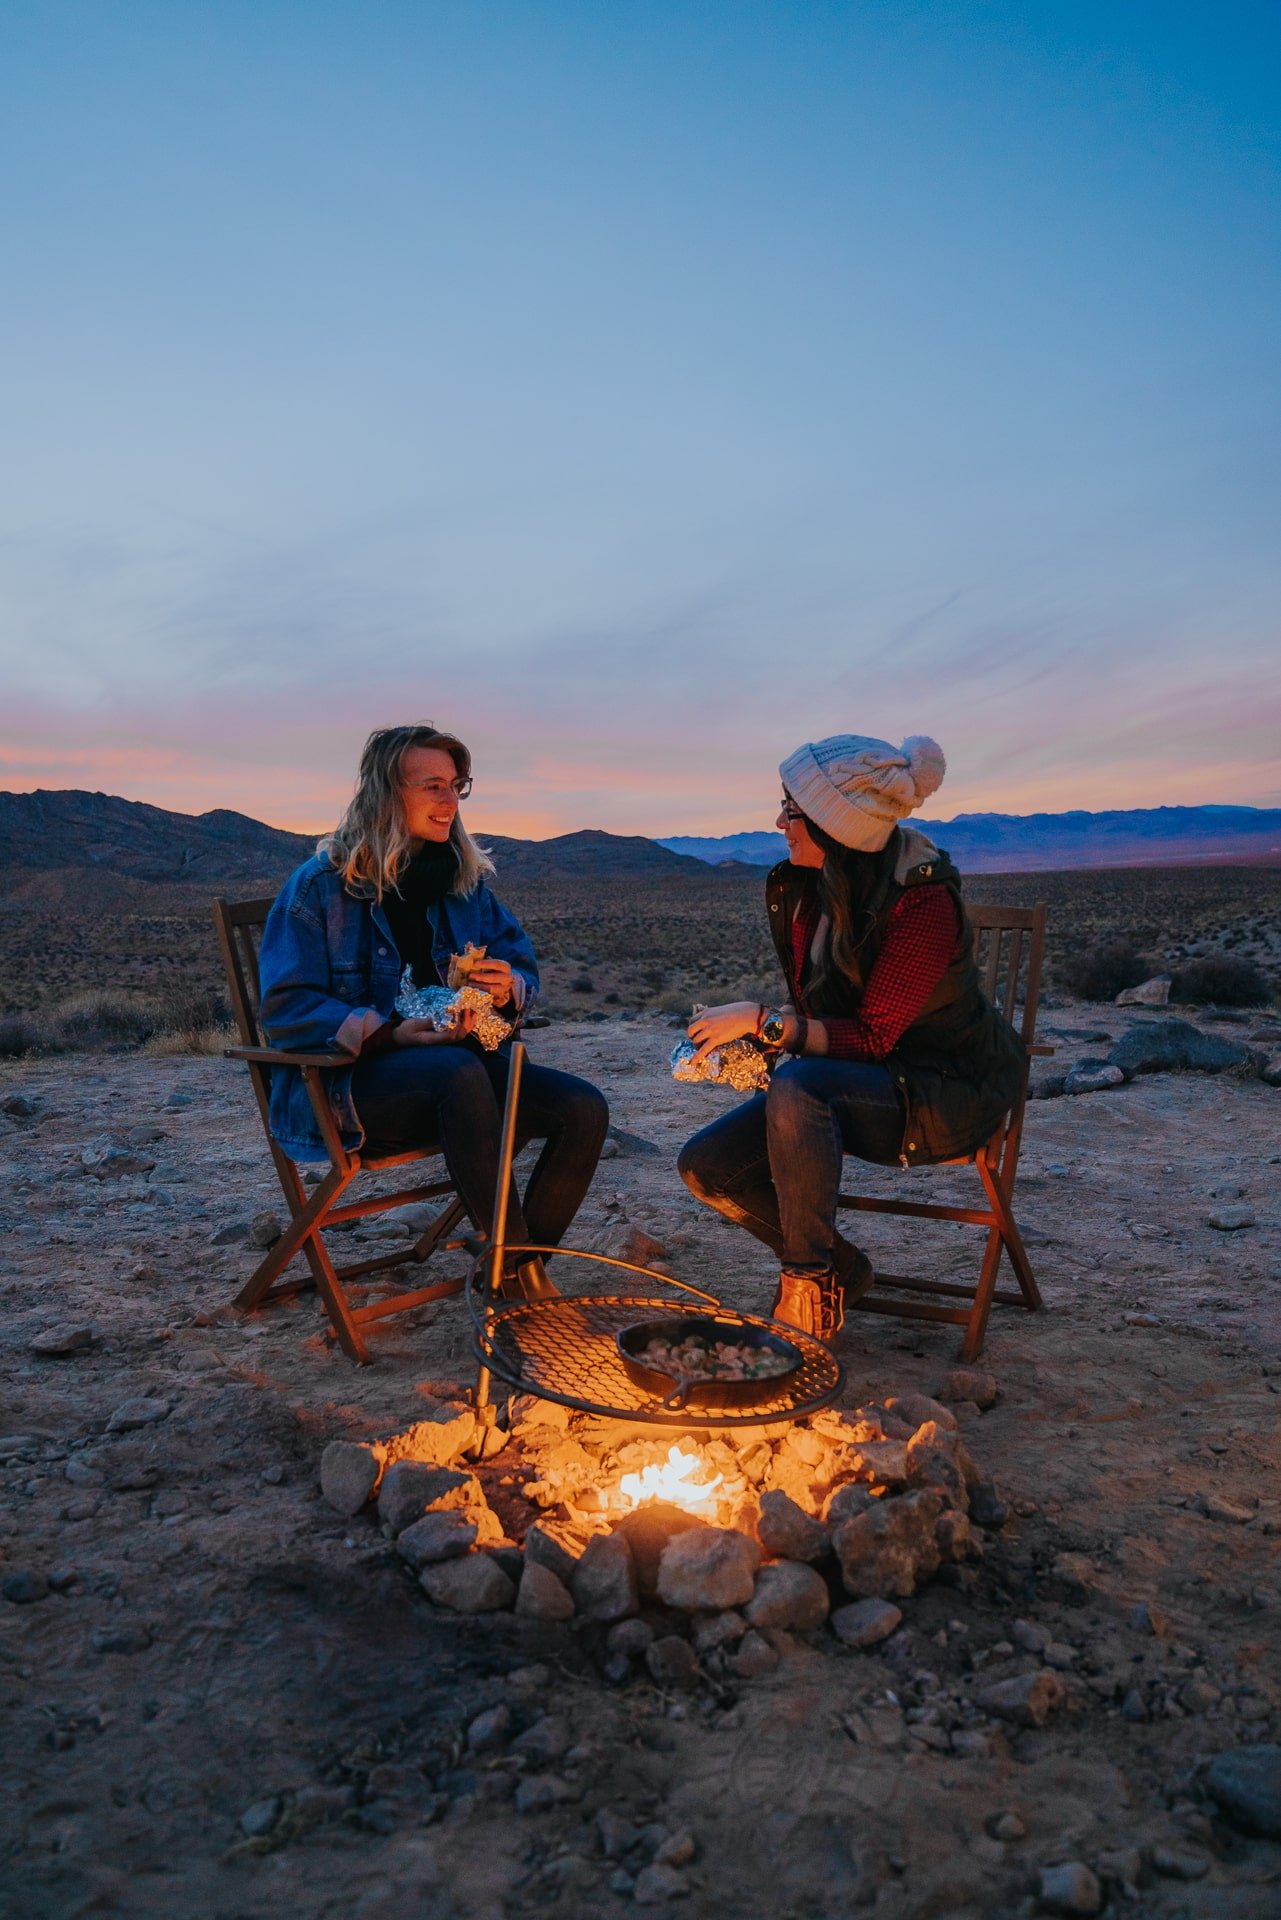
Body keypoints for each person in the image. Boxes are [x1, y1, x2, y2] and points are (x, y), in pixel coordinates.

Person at [677, 732, 1026, 1342]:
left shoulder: (922, 902)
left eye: (791, 810)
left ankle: (806, 1293)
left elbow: (872, 1036)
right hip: (862, 1082)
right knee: (707, 1166)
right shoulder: (814, 890)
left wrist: (766, 1021)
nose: (779, 822)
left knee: (800, 1086)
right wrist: (762, 1036)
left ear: (835, 824)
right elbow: (826, 1013)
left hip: (942, 1091)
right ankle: (843, 1269)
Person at [257, 722, 609, 1297]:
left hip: (458, 1084)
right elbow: (286, 1007)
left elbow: (524, 971)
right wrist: (388, 1036)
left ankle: (514, 1269)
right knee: (460, 1072)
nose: (450, 801)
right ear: (385, 793)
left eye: (456, 786)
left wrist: (505, 986)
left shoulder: (463, 885)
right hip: (351, 1092)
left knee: (583, 1108)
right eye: (432, 786)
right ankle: (516, 1280)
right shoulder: (320, 888)